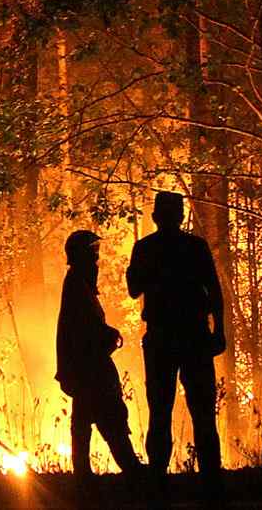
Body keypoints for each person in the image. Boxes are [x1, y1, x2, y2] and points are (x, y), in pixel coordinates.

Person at [126, 191, 225, 496]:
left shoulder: (145, 248)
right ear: (180, 217)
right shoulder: (195, 247)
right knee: (203, 411)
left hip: (161, 339)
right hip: (194, 336)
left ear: (156, 217)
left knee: (160, 410)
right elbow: (214, 290)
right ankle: (211, 482)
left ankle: (158, 480)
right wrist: (218, 330)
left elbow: (133, 289)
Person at [55, 229, 145, 495]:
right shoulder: (76, 286)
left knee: (86, 419)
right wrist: (111, 336)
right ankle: (130, 470)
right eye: (92, 252)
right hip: (89, 368)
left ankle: (84, 476)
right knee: (110, 417)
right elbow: (84, 328)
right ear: (80, 255)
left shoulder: (78, 284)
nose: (97, 259)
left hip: (86, 367)